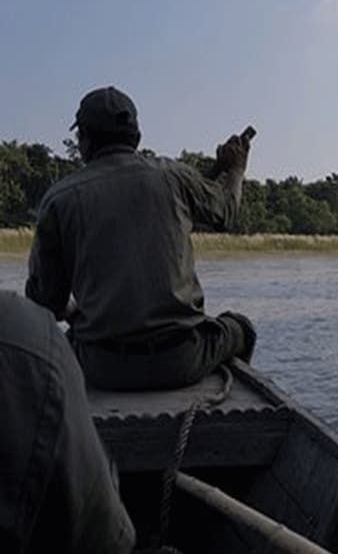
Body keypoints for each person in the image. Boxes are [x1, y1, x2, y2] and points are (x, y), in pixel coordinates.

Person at [25, 85, 257, 390]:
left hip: (101, 367)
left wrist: (75, 312)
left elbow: (45, 302)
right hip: (183, 360)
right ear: (136, 136)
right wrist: (237, 169)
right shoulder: (174, 176)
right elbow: (225, 211)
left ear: (84, 140)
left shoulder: (59, 199)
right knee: (242, 327)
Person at [0, 291, 135, 554]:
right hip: (176, 351)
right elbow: (102, 547)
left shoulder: (28, 339)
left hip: (98, 354)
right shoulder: (28, 336)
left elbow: (45, 289)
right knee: (237, 328)